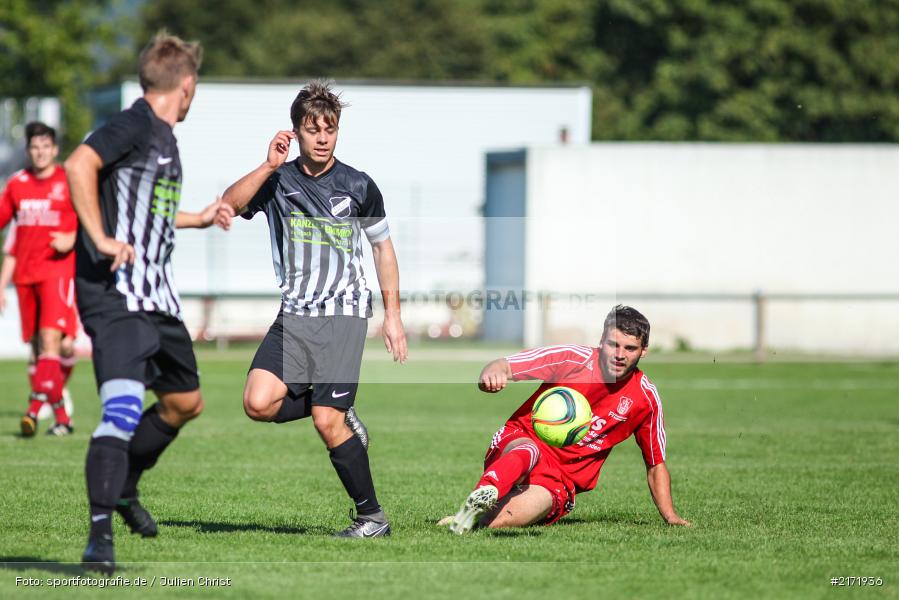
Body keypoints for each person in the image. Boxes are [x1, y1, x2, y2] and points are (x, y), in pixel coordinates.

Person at [64, 32, 234, 574]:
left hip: (157, 295)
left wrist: (198, 218)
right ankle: (98, 538)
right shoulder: (136, 123)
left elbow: (146, 209)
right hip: (117, 296)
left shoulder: (163, 136)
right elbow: (78, 165)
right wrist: (99, 236)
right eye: (195, 87)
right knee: (119, 409)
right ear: (186, 85)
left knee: (186, 403)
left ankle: (124, 489)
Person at [221, 79, 407, 538]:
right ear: (295, 132)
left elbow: (383, 250)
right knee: (258, 403)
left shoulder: (359, 185)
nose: (323, 137)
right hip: (294, 315)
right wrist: (267, 164)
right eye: (313, 129)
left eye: (330, 128)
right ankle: (340, 408)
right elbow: (229, 203)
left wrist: (394, 316)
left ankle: (372, 518)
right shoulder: (277, 181)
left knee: (327, 422)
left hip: (343, 314)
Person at [443, 305, 690, 533]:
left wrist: (670, 517)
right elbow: (503, 366)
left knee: (494, 523)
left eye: (630, 348)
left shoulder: (645, 398)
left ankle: (466, 517)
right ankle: (485, 491)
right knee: (529, 450)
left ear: (643, 351)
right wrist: (491, 375)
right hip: (519, 441)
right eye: (613, 345)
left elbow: (656, 464)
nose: (619, 354)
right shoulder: (571, 358)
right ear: (601, 340)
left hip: (558, 481)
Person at [0, 122, 79, 437]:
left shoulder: (68, 181)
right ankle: (61, 419)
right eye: (35, 147)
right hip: (26, 277)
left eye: (46, 146)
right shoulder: (18, 184)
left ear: (55, 149)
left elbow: (91, 218)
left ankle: (33, 410)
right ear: (29, 150)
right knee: (37, 350)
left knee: (52, 342)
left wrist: (72, 236)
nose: (40, 152)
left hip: (56, 273)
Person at [0, 223, 78, 427]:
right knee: (38, 348)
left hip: (60, 279)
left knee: (64, 344)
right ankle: (60, 413)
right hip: (29, 281)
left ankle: (35, 407)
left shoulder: (65, 206)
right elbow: (11, 253)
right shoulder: (22, 213)